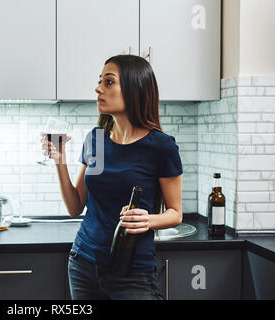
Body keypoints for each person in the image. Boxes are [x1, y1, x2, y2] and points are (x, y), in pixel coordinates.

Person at [42, 54, 183, 300]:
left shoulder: (161, 147)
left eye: (108, 82)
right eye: (100, 81)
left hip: (133, 274)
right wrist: (60, 161)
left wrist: (148, 220)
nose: (98, 88)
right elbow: (75, 206)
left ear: (134, 87)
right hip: (83, 264)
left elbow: (175, 213)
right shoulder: (96, 140)